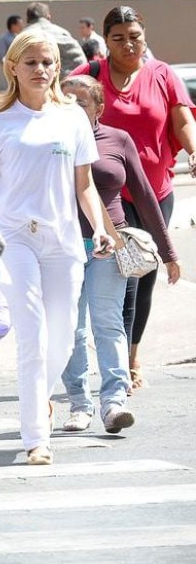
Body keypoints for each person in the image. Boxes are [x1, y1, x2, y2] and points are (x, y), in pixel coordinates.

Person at [0, 29, 114, 467]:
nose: (41, 70)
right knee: (31, 335)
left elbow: (83, 185)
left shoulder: (72, 119)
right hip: (13, 238)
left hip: (64, 240)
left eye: (48, 62)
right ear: (13, 66)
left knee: (64, 338)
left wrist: (99, 228)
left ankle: (41, 401)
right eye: (30, 62)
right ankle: (36, 436)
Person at [71, 6, 196, 391]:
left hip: (154, 191)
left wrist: (193, 150)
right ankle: (118, 364)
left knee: (144, 274)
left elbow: (182, 118)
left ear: (145, 36)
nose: (128, 44)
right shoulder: (89, 76)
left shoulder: (162, 74)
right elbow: (53, 104)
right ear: (104, 41)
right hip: (107, 193)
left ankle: (131, 353)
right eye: (118, 37)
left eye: (135, 36)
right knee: (120, 279)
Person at [59, 75, 179, 436]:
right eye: (65, 101)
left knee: (108, 321)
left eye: (81, 102)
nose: (72, 109)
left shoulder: (117, 139)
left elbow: (144, 194)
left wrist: (169, 251)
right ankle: (79, 404)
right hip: (61, 247)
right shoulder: (50, 141)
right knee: (71, 328)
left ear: (99, 107)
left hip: (108, 244)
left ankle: (114, 403)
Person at [24, 2, 85, 76]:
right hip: (62, 84)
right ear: (49, 17)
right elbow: (80, 62)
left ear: (27, 19)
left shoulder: (22, 37)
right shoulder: (62, 33)